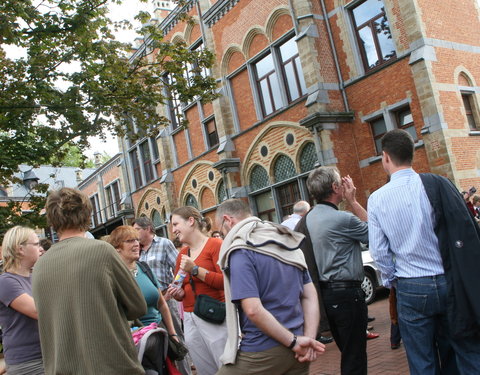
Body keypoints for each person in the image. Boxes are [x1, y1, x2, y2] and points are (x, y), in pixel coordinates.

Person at [368, 129, 480, 375]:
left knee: (421, 359)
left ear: (385, 157)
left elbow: (379, 252)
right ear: (413, 154)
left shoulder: (377, 199)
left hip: (412, 284)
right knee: (461, 347)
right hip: (449, 279)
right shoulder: (434, 184)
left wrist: (392, 280)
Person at [32, 188, 147, 375]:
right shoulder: (102, 251)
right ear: (87, 213)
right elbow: (138, 307)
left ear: (52, 220)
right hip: (110, 366)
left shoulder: (39, 265)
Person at [215, 199, 325, 375]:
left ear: (228, 221)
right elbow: (310, 295)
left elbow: (252, 310)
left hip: (262, 350)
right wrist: (307, 340)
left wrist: (294, 342)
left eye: (221, 231)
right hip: (300, 347)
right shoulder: (286, 240)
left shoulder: (241, 249)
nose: (222, 236)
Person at [303, 166, 369, 375]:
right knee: (354, 356)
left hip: (326, 294)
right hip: (348, 294)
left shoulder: (309, 218)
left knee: (348, 351)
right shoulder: (343, 219)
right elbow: (374, 234)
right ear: (334, 187)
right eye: (341, 182)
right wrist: (353, 201)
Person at [166, 207, 227, 375]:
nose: (173, 230)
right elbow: (180, 286)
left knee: (225, 367)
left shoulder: (215, 245)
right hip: (190, 318)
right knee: (204, 368)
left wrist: (195, 269)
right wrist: (178, 295)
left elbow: (225, 282)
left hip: (214, 316)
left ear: (191, 221)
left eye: (176, 224)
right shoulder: (183, 253)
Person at [134, 217, 191, 375]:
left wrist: (172, 291)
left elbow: (179, 268)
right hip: (150, 306)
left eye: (137, 229)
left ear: (148, 229)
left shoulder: (164, 244)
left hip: (167, 300)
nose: (135, 233)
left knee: (176, 340)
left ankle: (185, 372)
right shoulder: (136, 249)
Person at [0, 226, 44, 375]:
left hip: (43, 356)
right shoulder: (6, 282)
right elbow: (39, 311)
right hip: (28, 362)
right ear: (20, 249)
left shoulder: (35, 278)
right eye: (36, 244)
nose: (41, 248)